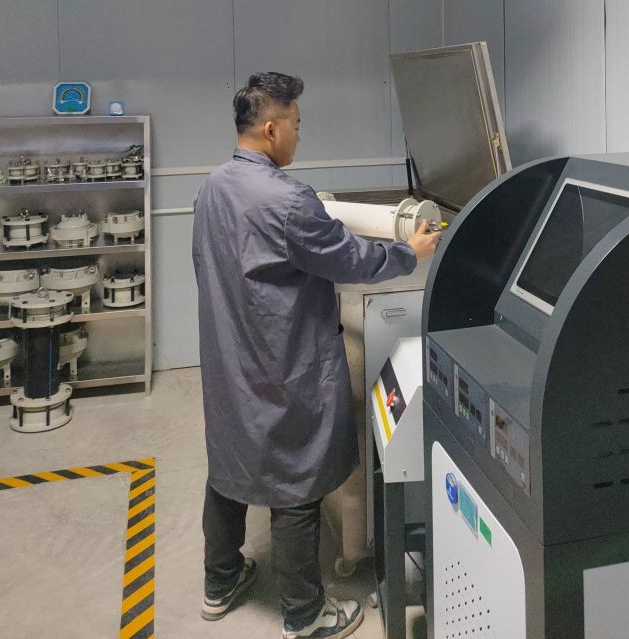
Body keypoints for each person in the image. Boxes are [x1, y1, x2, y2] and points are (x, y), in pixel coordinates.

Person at [192, 72, 440, 639]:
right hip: (280, 365)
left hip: (228, 357)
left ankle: (220, 582)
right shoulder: (288, 199)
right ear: (271, 128)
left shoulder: (212, 187)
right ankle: (304, 615)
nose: (299, 137)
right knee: (294, 482)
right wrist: (410, 251)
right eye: (297, 126)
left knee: (230, 465)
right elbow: (350, 259)